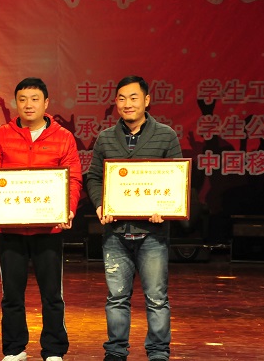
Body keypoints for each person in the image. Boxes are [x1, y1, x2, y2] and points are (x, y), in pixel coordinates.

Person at [0, 77, 82, 361]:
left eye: (35, 99)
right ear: (16, 103)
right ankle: (14, 349)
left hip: (49, 229)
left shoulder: (63, 137)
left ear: (46, 103)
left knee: (52, 295)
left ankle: (54, 350)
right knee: (11, 295)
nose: (28, 105)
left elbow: (73, 179)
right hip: (11, 230)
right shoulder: (1, 135)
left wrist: (68, 209)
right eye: (22, 99)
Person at [86, 75, 182, 361]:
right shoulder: (105, 138)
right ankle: (116, 351)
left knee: (156, 298)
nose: (127, 104)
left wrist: (166, 208)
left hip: (153, 234)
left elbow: (177, 178)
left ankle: (158, 352)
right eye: (122, 98)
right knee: (116, 298)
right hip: (115, 234)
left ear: (147, 100)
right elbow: (94, 177)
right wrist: (100, 205)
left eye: (134, 97)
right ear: (116, 102)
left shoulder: (166, 135)